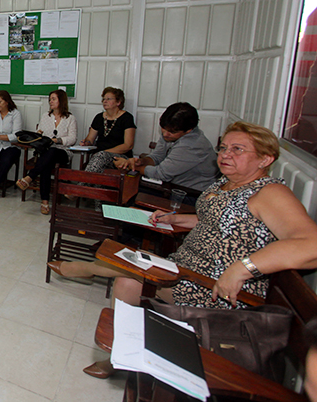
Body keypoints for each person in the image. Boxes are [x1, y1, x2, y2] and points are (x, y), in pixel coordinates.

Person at [47, 121, 317, 379]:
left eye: (238, 149)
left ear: (265, 159)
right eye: (223, 148)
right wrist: (176, 219)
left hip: (213, 287)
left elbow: (311, 245)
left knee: (127, 272)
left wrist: (243, 268)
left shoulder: (269, 193)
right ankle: (121, 350)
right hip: (185, 266)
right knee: (126, 270)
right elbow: (215, 222)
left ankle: (88, 276)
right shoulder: (227, 184)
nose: (225, 154)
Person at [114, 102, 218, 193]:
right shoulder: (171, 132)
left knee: (131, 190)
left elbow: (161, 174)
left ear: (188, 130)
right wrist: (141, 162)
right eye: (163, 129)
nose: (165, 134)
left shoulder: (192, 145)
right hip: (172, 184)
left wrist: (131, 166)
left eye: (172, 132)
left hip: (190, 193)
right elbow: (157, 156)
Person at [16, 89, 77, 214]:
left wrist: (57, 140)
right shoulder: (46, 116)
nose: (51, 102)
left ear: (62, 100)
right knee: (46, 165)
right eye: (50, 99)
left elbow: (72, 139)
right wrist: (36, 136)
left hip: (62, 152)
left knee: (52, 153)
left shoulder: (70, 118)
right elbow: (40, 133)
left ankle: (29, 177)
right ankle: (44, 202)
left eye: (53, 99)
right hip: (46, 152)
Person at [81, 87, 136, 173]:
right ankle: (89, 185)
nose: (104, 101)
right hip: (99, 156)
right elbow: (90, 139)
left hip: (120, 157)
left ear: (118, 102)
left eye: (108, 99)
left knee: (99, 157)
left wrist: (104, 152)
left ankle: (82, 185)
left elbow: (128, 145)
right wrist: (86, 142)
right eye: (103, 99)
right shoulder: (99, 117)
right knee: (98, 160)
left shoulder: (127, 118)